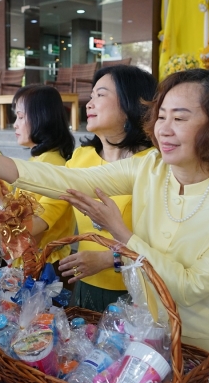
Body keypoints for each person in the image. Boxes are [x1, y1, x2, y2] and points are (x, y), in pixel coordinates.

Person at [0, 69, 209, 377]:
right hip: (153, 332)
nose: (163, 128)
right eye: (161, 116)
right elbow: (68, 180)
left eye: (179, 118)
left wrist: (121, 232)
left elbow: (189, 289)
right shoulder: (150, 166)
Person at [51, 65, 157, 311]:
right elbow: (49, 192)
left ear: (131, 102)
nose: (89, 104)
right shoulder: (80, 158)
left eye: (100, 95)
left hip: (137, 291)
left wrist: (111, 259)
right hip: (86, 285)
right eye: (91, 96)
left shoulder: (154, 165)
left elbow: (166, 246)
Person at [0, 84, 76, 265]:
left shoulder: (55, 168)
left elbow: (33, 227)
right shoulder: (38, 161)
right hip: (25, 263)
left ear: (41, 118)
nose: (15, 124)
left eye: (20, 117)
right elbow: (20, 215)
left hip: (46, 269)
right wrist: (5, 196)